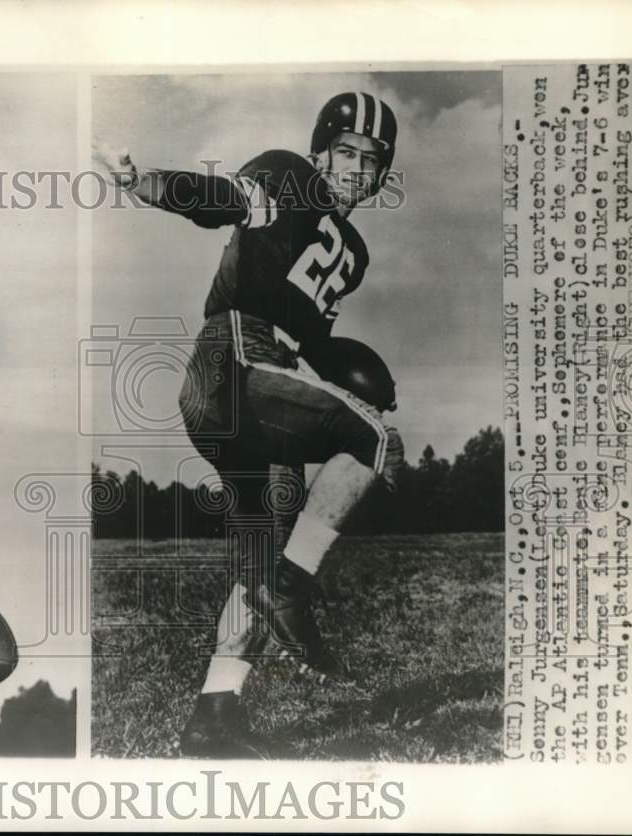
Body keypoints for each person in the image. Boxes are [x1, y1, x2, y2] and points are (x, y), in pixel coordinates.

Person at [94, 92, 406, 758]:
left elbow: (314, 339)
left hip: (271, 385)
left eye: (371, 160)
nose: (355, 168)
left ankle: (213, 718)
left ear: (383, 175)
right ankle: (293, 590)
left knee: (259, 561)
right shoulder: (288, 177)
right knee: (374, 439)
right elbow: (222, 199)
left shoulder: (354, 250)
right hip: (234, 361)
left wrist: (352, 375)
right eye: (345, 152)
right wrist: (144, 183)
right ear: (321, 151)